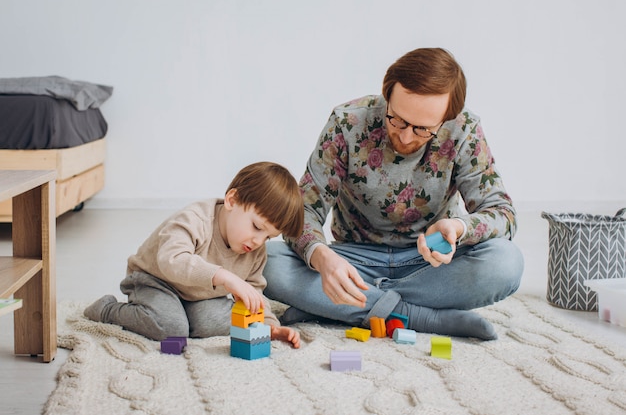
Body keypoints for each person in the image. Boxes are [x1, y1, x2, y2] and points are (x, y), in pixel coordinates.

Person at [263, 48, 524, 341]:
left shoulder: (465, 130)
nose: (406, 136)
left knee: (506, 262)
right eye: (397, 119)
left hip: (429, 264)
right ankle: (420, 317)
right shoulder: (347, 122)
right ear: (387, 96)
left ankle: (335, 307)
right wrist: (322, 258)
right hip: (354, 260)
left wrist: (458, 228)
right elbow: (304, 211)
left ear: (447, 118)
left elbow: (503, 214)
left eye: (423, 129)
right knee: (266, 261)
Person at [84, 161, 303, 348]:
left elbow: (253, 294)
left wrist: (270, 327)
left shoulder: (254, 251)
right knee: (172, 329)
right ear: (232, 200)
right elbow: (172, 260)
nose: (258, 241)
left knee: (212, 322)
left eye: (268, 237)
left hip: (198, 294)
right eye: (256, 227)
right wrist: (225, 277)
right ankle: (108, 309)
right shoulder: (196, 220)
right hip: (156, 280)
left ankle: (184, 314)